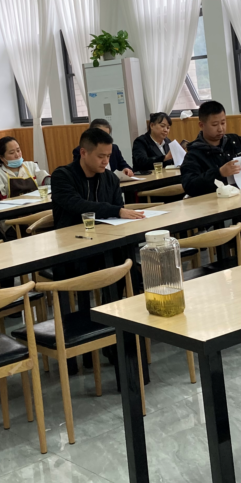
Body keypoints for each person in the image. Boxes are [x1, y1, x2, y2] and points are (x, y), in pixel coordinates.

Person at [51, 127, 146, 376]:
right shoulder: (62, 176)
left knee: (129, 268)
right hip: (71, 253)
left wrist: (118, 212)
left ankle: (117, 333)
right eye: (100, 156)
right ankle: (105, 336)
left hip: (105, 247)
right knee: (118, 268)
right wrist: (115, 211)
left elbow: (118, 214)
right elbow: (76, 205)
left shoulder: (110, 178)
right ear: (83, 153)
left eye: (109, 156)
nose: (106, 161)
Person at [179, 101, 241, 197]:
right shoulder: (194, 154)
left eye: (223, 123)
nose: (220, 128)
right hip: (216, 202)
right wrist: (219, 173)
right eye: (214, 125)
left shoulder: (234, 141)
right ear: (201, 125)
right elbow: (190, 185)